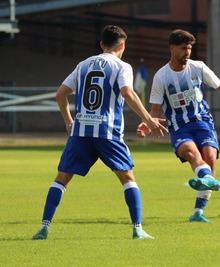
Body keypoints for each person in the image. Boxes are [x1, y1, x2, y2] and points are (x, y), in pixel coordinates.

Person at [32, 25, 168, 240]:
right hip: (107, 132)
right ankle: (137, 229)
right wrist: (148, 119)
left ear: (101, 44)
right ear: (122, 45)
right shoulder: (122, 66)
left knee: (61, 178)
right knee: (127, 177)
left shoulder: (83, 65)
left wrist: (69, 121)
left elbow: (60, 94)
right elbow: (127, 92)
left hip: (81, 132)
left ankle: (44, 227)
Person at [137, 29, 220, 223]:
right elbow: (155, 110)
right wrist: (149, 123)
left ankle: (198, 212)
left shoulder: (198, 67)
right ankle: (207, 178)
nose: (187, 52)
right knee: (191, 153)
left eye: (189, 48)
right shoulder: (161, 77)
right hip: (179, 127)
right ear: (172, 48)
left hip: (203, 122)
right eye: (183, 48)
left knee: (210, 158)